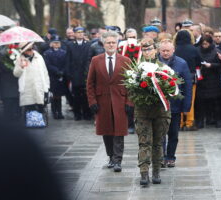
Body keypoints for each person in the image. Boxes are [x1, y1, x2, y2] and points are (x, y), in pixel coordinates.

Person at [87, 31, 132, 173]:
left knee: (119, 131)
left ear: (117, 44)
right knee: (106, 130)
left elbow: (131, 83)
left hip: (120, 100)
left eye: (113, 42)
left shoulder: (126, 61)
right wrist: (92, 101)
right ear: (103, 44)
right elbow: (90, 83)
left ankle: (118, 160)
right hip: (103, 101)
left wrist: (130, 102)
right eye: (108, 42)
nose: (111, 45)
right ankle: (111, 156)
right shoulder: (96, 60)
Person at [134, 38, 171, 186]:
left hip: (160, 111)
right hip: (142, 112)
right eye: (144, 49)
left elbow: (170, 89)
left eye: (149, 49)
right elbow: (131, 90)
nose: (147, 52)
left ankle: (156, 172)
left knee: (157, 143)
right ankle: (144, 173)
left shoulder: (164, 69)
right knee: (144, 143)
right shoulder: (136, 69)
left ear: (155, 50)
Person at [158, 39, 192, 167]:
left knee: (173, 134)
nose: (165, 53)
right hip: (159, 106)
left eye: (168, 51)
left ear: (173, 50)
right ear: (159, 51)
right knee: (160, 134)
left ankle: (170, 157)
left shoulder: (181, 63)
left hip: (175, 105)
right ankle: (161, 157)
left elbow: (188, 85)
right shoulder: (154, 63)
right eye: (163, 51)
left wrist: (186, 105)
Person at [13, 42, 50, 119]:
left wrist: (47, 86)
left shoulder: (39, 57)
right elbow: (16, 74)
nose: (30, 51)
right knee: (29, 109)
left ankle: (40, 123)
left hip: (39, 86)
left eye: (31, 49)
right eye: (28, 50)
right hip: (27, 88)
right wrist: (21, 67)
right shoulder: (19, 59)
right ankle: (30, 124)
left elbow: (45, 72)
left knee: (41, 107)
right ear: (24, 51)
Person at [174, 30, 201, 131]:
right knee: (190, 100)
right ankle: (189, 122)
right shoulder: (193, 49)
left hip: (177, 78)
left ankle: (180, 122)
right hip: (191, 77)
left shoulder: (176, 49)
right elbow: (199, 62)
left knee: (178, 99)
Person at [195, 36, 221, 128]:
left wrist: (211, 65)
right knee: (201, 102)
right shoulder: (197, 50)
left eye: (206, 44)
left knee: (215, 102)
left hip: (213, 79)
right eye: (203, 44)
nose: (204, 45)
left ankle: (217, 120)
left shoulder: (216, 51)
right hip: (201, 79)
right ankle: (201, 121)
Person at [66, 27, 91, 121]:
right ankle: (77, 114)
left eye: (82, 32)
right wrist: (68, 73)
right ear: (75, 34)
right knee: (76, 95)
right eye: (78, 32)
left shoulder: (88, 44)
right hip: (75, 73)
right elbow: (68, 60)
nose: (80, 34)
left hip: (85, 73)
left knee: (85, 94)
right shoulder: (70, 45)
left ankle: (87, 113)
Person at [43, 35, 67, 119]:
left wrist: (62, 71)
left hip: (61, 76)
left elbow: (66, 63)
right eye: (55, 43)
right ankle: (54, 112)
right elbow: (48, 64)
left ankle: (59, 112)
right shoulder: (47, 53)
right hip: (52, 76)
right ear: (51, 44)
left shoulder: (64, 52)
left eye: (58, 43)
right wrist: (56, 71)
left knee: (59, 96)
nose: (56, 44)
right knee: (53, 95)